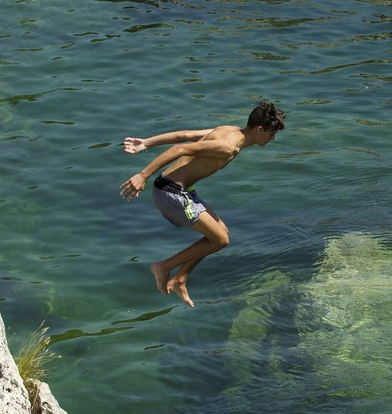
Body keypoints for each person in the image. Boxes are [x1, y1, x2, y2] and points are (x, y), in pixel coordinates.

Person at [120, 100, 286, 307]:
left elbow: (187, 134)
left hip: (180, 189)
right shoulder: (227, 147)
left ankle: (181, 279)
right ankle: (163, 267)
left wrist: (146, 142)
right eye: (271, 133)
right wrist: (142, 175)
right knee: (220, 240)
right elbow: (181, 148)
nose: (273, 138)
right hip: (171, 193)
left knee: (221, 231)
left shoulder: (230, 130)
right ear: (259, 129)